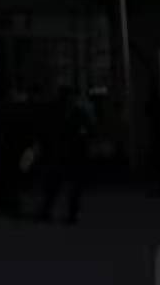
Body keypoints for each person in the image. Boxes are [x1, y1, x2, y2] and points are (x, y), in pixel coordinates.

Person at [36, 86, 91, 224]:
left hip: (68, 152)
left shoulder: (69, 112)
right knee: (59, 183)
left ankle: (59, 212)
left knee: (62, 183)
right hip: (65, 152)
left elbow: (87, 129)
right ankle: (52, 211)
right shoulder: (70, 112)